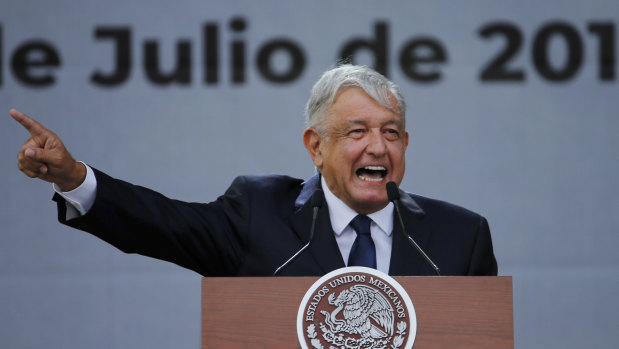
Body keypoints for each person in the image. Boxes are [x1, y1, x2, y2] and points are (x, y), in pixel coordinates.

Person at [11, 65, 497, 277]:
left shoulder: (462, 235)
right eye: (356, 132)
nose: (378, 146)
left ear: (406, 144)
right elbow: (162, 224)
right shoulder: (257, 214)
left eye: (391, 132)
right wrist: (74, 177)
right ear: (315, 146)